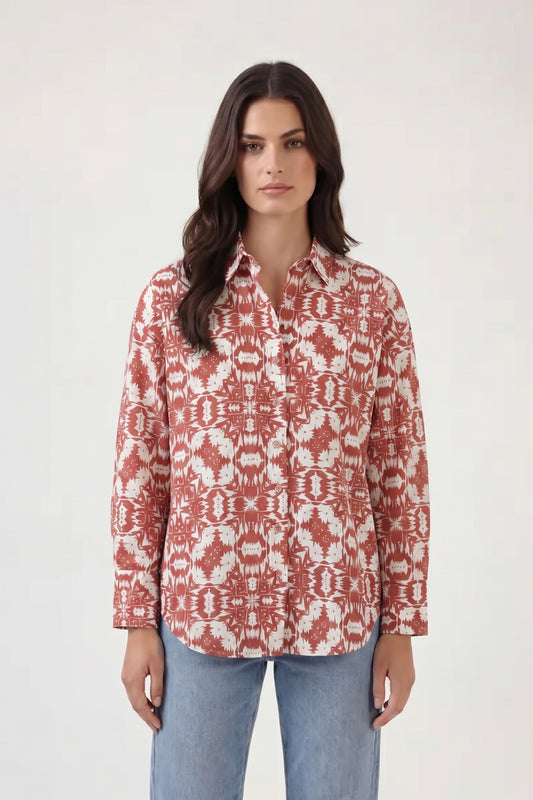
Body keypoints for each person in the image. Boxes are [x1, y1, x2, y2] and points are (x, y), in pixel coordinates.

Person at [111, 61, 430, 800]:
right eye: (253, 146)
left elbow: (398, 471)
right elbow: (141, 466)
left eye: (292, 143)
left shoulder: (372, 305)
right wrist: (136, 621)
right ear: (230, 160)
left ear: (321, 156)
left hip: (338, 613)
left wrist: (401, 625)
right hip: (202, 608)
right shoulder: (171, 300)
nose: (273, 165)